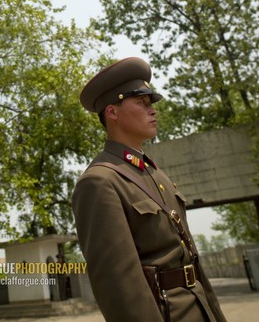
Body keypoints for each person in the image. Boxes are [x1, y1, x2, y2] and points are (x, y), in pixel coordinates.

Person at [71, 57, 226, 322]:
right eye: (141, 103)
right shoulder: (100, 182)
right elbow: (119, 286)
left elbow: (192, 261)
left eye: (151, 104)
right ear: (112, 112)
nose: (152, 110)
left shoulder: (155, 174)